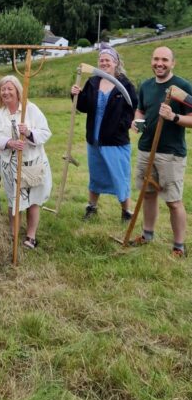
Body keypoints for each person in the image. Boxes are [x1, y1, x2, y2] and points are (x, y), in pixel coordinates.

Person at [130, 46, 192, 257]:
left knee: (173, 201)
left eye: (165, 59)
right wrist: (138, 121)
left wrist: (174, 117)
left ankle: (179, 246)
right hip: (146, 149)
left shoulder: (182, 87)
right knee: (147, 194)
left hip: (170, 153)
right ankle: (147, 235)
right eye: (156, 59)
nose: (159, 63)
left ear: (173, 63)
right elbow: (141, 108)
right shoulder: (146, 85)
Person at [71, 44, 138, 221]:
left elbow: (132, 108)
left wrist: (121, 126)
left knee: (120, 175)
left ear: (115, 63)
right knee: (96, 175)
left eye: (108, 60)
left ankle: (126, 212)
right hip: (94, 139)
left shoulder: (125, 84)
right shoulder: (93, 82)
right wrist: (76, 95)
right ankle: (92, 208)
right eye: (101, 60)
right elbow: (83, 106)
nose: (104, 63)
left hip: (115, 140)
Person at [0, 75, 52, 248]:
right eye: (3, 89)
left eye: (10, 89)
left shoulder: (30, 109)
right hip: (10, 164)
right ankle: (13, 234)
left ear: (18, 91)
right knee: (13, 200)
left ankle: (30, 237)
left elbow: (45, 132)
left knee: (33, 200)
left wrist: (29, 132)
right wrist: (9, 142)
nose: (6, 92)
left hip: (31, 163)